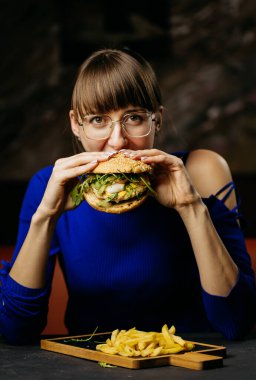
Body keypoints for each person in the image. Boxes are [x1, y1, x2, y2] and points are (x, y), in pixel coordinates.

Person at [0, 48, 256, 345]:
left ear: (157, 120)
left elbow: (237, 322)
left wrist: (191, 207)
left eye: (133, 117)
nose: (118, 141)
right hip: (90, 365)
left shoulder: (202, 170)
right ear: (75, 124)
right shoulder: (50, 184)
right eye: (98, 120)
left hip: (193, 361)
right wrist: (45, 218)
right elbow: (15, 330)